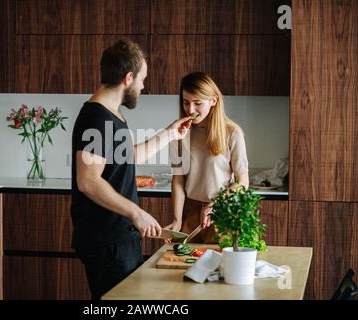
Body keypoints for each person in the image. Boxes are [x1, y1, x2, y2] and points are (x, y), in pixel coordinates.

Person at [71, 39, 192, 300]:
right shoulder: (97, 118)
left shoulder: (111, 114)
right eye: (142, 79)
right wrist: (136, 213)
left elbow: (127, 157)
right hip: (108, 242)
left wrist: (169, 134)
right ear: (128, 78)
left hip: (118, 238)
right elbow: (88, 181)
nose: (143, 86)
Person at [166, 72, 249, 243]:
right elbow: (178, 179)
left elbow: (242, 182)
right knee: (182, 266)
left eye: (197, 103)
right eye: (186, 102)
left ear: (213, 101)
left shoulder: (232, 133)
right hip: (189, 211)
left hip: (222, 211)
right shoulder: (178, 132)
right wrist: (177, 219)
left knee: (221, 267)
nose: (190, 110)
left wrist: (218, 203)